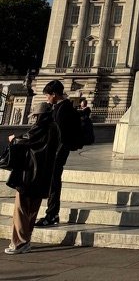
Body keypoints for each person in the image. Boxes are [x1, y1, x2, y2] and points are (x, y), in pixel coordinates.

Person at [5, 100, 57, 252]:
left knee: (21, 209)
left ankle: (18, 243)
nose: (34, 119)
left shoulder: (40, 128)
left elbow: (24, 140)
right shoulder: (55, 128)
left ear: (39, 116)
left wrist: (13, 139)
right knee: (33, 210)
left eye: (35, 116)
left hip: (29, 174)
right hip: (45, 176)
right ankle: (26, 240)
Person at [34, 79, 81, 228]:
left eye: (48, 95)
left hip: (57, 151)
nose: (47, 98)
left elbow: (59, 134)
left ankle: (52, 214)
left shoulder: (62, 109)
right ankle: (52, 213)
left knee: (54, 182)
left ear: (54, 94)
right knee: (53, 181)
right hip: (58, 150)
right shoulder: (61, 107)